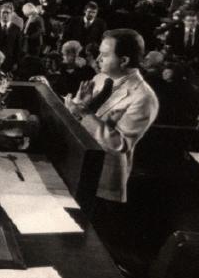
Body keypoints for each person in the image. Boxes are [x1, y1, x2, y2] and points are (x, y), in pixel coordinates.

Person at [65, 29, 159, 205]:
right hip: (77, 164)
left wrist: (84, 112)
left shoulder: (144, 97)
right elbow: (79, 114)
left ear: (123, 61)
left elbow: (120, 144)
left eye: (105, 55)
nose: (98, 59)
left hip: (103, 181)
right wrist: (77, 106)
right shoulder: (101, 77)